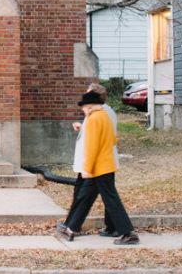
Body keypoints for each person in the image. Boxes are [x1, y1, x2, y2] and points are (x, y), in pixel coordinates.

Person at [56, 91, 139, 245]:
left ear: (89, 106)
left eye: (84, 107)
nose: (82, 110)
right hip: (106, 164)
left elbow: (92, 147)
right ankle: (71, 229)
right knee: (85, 197)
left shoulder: (94, 119)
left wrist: (87, 168)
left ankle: (128, 233)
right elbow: (113, 139)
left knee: (110, 200)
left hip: (98, 167)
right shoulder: (104, 116)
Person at [69, 83, 119, 237]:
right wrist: (81, 126)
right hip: (94, 162)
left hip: (96, 163)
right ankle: (72, 225)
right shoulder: (99, 111)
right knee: (105, 196)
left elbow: (101, 137)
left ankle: (71, 226)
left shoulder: (102, 112)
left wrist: (88, 167)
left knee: (91, 196)